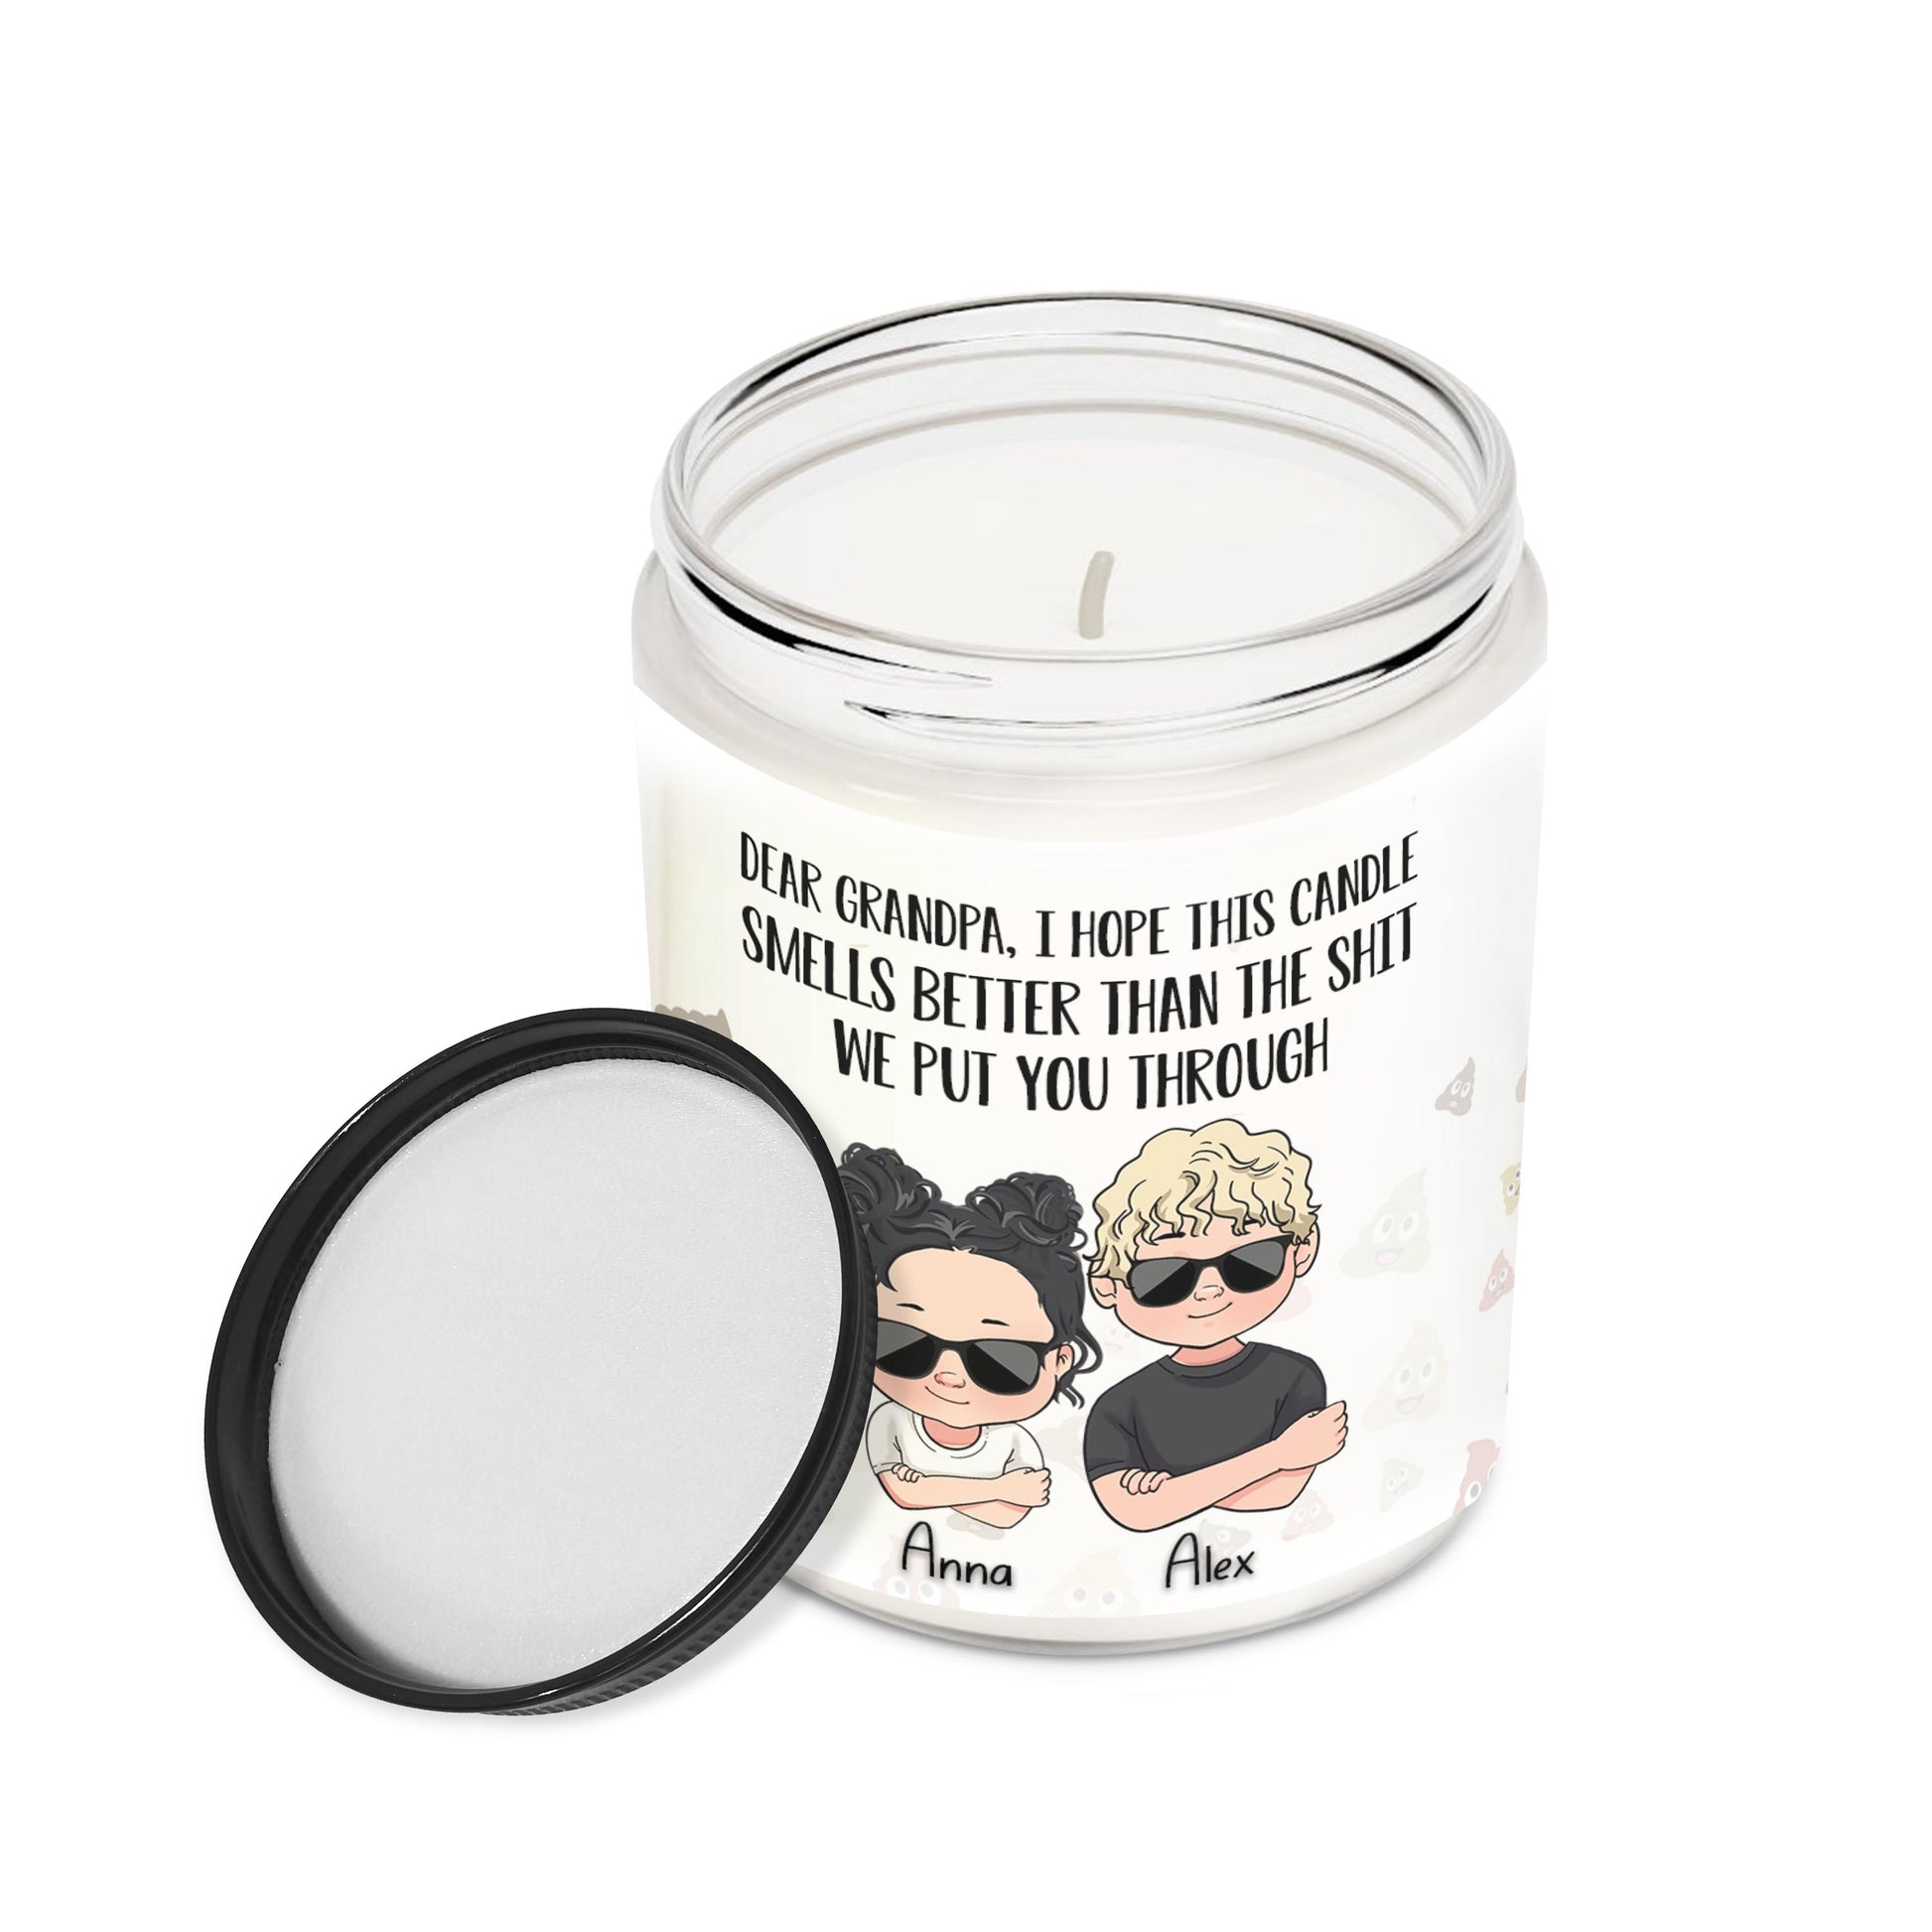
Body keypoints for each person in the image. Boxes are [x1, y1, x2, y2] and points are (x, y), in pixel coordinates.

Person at [1083, 1120, 1348, 1532]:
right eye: (1166, 1276)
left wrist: (1172, 1492)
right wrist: (1277, 1455)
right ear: (1107, 1285)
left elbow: (1276, 1495)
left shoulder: (1294, 1377)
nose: (1210, 1290)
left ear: (1301, 1251)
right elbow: (1132, 1512)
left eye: (1250, 1262)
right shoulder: (1120, 1406)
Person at [843, 1144, 1100, 1530]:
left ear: (1059, 1361)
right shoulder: (890, 1420)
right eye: (906, 1344)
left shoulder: (1014, 1441)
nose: (947, 1375)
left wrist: (932, 1487)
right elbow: (904, 1494)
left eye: (996, 1359)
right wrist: (999, 1487)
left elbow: (1008, 1516)